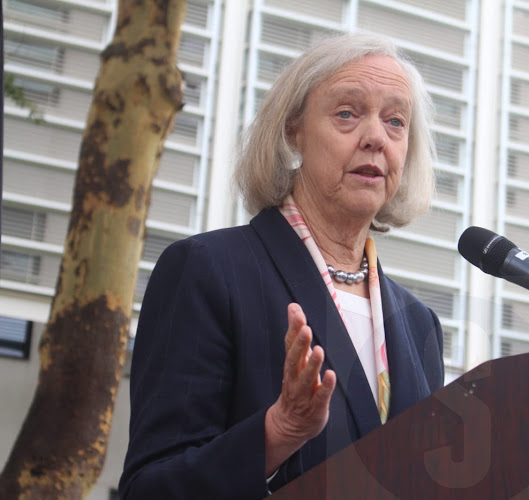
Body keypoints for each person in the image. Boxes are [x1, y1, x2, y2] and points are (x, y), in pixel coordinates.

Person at [118, 32, 444, 499]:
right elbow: (149, 490)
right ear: (294, 130)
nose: (376, 137)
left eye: (396, 121)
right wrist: (278, 431)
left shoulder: (419, 326)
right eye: (347, 114)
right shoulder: (207, 272)